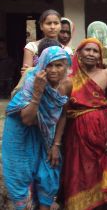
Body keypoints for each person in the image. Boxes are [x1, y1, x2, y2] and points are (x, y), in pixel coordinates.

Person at [2, 46, 72, 210]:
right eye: (49, 65)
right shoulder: (32, 83)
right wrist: (38, 93)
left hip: (44, 134)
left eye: (59, 65)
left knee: (48, 171)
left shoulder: (67, 84)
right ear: (42, 66)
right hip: (20, 134)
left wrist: (56, 145)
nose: (53, 70)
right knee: (21, 175)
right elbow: (27, 119)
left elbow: (63, 114)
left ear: (66, 66)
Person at [61, 38, 107, 210]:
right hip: (78, 137)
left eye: (95, 51)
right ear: (79, 53)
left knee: (104, 172)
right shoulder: (69, 79)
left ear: (100, 55)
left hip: (104, 135)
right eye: (87, 50)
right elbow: (63, 114)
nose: (91, 54)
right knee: (82, 173)